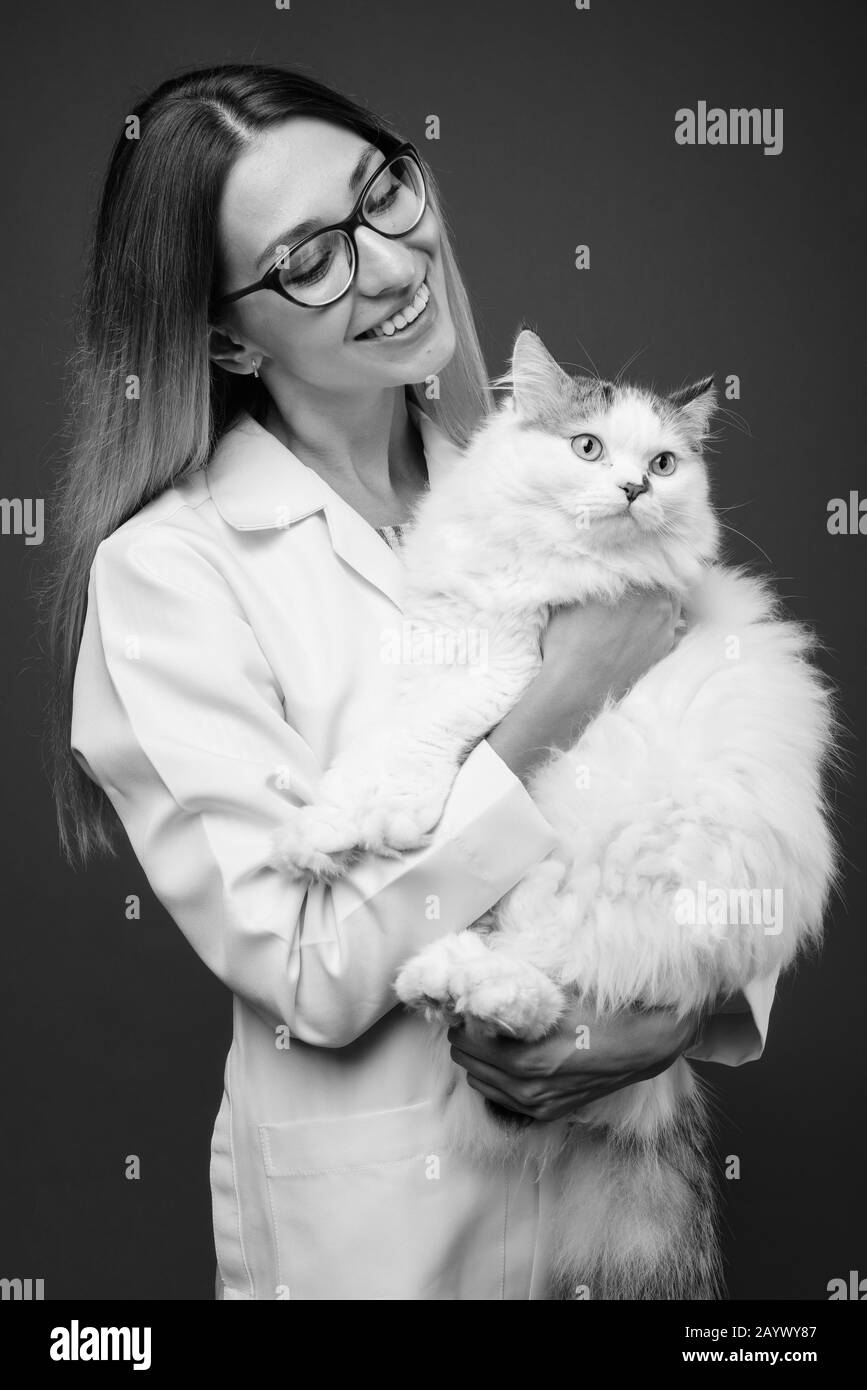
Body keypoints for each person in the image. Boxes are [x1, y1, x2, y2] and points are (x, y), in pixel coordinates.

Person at [43, 63, 777, 1300]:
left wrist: (663, 1018)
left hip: (631, 1206)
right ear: (223, 332)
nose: (389, 263)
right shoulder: (172, 573)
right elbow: (313, 967)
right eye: (307, 260)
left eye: (382, 192)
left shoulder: (562, 482)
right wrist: (554, 706)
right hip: (385, 1245)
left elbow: (717, 797)